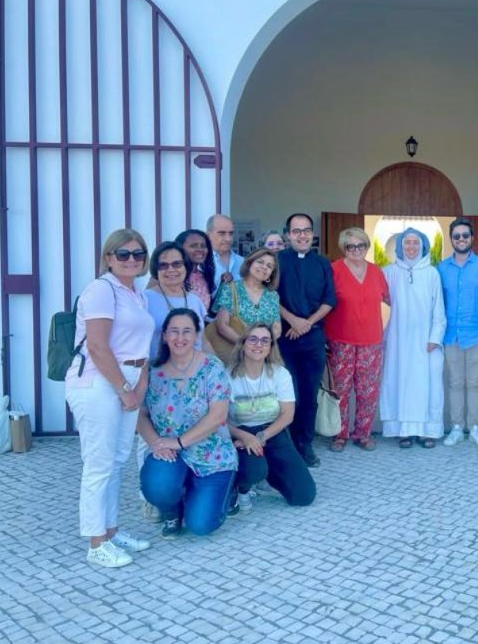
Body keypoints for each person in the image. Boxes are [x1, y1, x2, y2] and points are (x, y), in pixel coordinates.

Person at [64, 229, 155, 567]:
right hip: (99, 382)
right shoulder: (101, 290)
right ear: (108, 258)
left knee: (117, 460)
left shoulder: (137, 293)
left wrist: (139, 384)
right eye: (123, 254)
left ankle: (112, 531)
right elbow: (99, 347)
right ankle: (95, 541)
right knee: (99, 463)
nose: (131, 259)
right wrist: (123, 389)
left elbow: (140, 346)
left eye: (138, 253)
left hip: (128, 379)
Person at [138, 308, 237, 539]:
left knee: (200, 526)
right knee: (158, 486)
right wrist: (156, 443)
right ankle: (172, 511)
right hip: (169, 452)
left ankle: (219, 490)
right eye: (174, 331)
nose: (180, 338)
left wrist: (179, 442)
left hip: (212, 454)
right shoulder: (151, 370)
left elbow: (218, 416)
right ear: (164, 335)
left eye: (186, 332)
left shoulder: (212, 367)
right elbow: (140, 414)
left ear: (196, 336)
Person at [226, 325, 316, 513]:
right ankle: (241, 488)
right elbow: (218, 419)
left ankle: (269, 473)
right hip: (239, 434)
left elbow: (287, 415)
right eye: (253, 339)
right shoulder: (227, 376)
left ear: (270, 347)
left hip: (272, 431)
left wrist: (261, 436)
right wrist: (244, 436)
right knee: (254, 469)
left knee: (304, 496)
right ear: (243, 344)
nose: (258, 344)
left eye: (265, 340)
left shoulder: (280, 374)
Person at [276, 213, 336, 467]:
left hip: (312, 338)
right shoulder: (277, 261)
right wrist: (293, 320)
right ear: (288, 235)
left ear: (312, 234)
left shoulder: (323, 263)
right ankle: (286, 445)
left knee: (310, 394)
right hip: (283, 338)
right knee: (288, 394)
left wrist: (306, 323)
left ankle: (305, 444)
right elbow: (269, 296)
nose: (302, 235)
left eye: (306, 230)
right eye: (296, 231)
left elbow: (329, 300)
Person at [379, 228, 447, 448]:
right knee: (398, 382)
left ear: (422, 246)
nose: (411, 247)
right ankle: (404, 431)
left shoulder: (432, 273)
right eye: (407, 243)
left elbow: (439, 308)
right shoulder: (389, 272)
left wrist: (435, 337)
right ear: (400, 246)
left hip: (425, 341)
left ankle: (428, 431)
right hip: (398, 339)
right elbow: (379, 304)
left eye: (415, 243)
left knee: (428, 385)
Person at [324, 227, 389, 452]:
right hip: (340, 339)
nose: (356, 250)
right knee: (340, 390)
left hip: (371, 340)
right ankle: (339, 434)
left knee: (368, 390)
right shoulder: (333, 270)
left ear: (367, 246)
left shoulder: (377, 272)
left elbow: (391, 300)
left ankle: (363, 433)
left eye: (361, 245)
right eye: (351, 246)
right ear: (344, 248)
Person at [438, 218, 478, 448]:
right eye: (456, 236)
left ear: (472, 238)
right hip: (450, 334)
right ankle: (457, 427)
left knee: (474, 382)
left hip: (477, 333)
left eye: (465, 235)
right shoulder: (440, 269)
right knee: (454, 382)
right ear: (451, 239)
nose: (461, 239)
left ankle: (475, 427)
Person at [143, 241, 213, 359]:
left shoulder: (195, 300)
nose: (171, 269)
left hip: (195, 372)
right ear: (156, 269)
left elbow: (204, 341)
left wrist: (219, 367)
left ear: (186, 266)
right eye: (163, 265)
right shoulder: (144, 299)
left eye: (177, 264)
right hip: (156, 372)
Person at [211, 248, 282, 359]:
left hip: (262, 356)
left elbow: (277, 329)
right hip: (235, 354)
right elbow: (222, 325)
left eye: (269, 266)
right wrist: (247, 345)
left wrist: (261, 346)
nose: (264, 267)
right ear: (249, 263)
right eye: (260, 262)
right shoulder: (230, 288)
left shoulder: (272, 295)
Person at [174, 228, 216, 311]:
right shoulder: (169, 275)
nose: (200, 249)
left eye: (203, 246)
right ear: (180, 248)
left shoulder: (204, 276)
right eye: (193, 246)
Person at [207, 213, 242, 289]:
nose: (228, 239)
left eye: (231, 233)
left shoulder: (242, 262)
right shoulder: (201, 263)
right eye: (222, 233)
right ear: (209, 234)